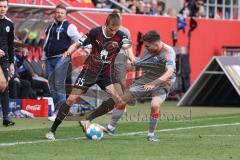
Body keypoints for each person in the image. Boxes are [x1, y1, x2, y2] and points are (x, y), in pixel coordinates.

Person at [45, 13, 132, 140]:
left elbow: (129, 50)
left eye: (116, 30)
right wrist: (69, 51)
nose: (114, 32)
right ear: (105, 25)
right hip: (89, 72)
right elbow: (78, 43)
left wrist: (132, 58)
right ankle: (52, 131)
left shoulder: (121, 35)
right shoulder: (95, 32)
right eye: (111, 29)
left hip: (106, 73)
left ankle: (88, 119)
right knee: (71, 99)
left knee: (116, 99)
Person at [80, 30, 176, 142]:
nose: (146, 48)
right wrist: (124, 65)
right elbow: (138, 63)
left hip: (164, 82)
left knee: (155, 105)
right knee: (122, 99)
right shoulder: (148, 50)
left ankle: (151, 134)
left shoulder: (168, 52)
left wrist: (153, 84)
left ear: (156, 44)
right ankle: (111, 128)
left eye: (148, 46)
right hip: (147, 79)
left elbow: (169, 73)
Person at [42, 4, 82, 106]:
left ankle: (60, 110)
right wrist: (43, 59)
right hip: (49, 59)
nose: (59, 15)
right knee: (52, 85)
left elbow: (79, 40)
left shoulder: (69, 26)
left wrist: (70, 51)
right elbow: (46, 43)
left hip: (62, 58)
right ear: (55, 14)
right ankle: (56, 108)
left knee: (58, 83)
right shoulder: (50, 27)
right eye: (57, 12)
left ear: (65, 15)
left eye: (62, 13)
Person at [0, 0, 15, 126]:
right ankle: (6, 116)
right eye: (0, 6)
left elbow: (10, 45)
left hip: (4, 60)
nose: (2, 8)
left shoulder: (10, 24)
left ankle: (6, 117)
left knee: (4, 86)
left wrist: (11, 62)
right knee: (3, 84)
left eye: (4, 6)